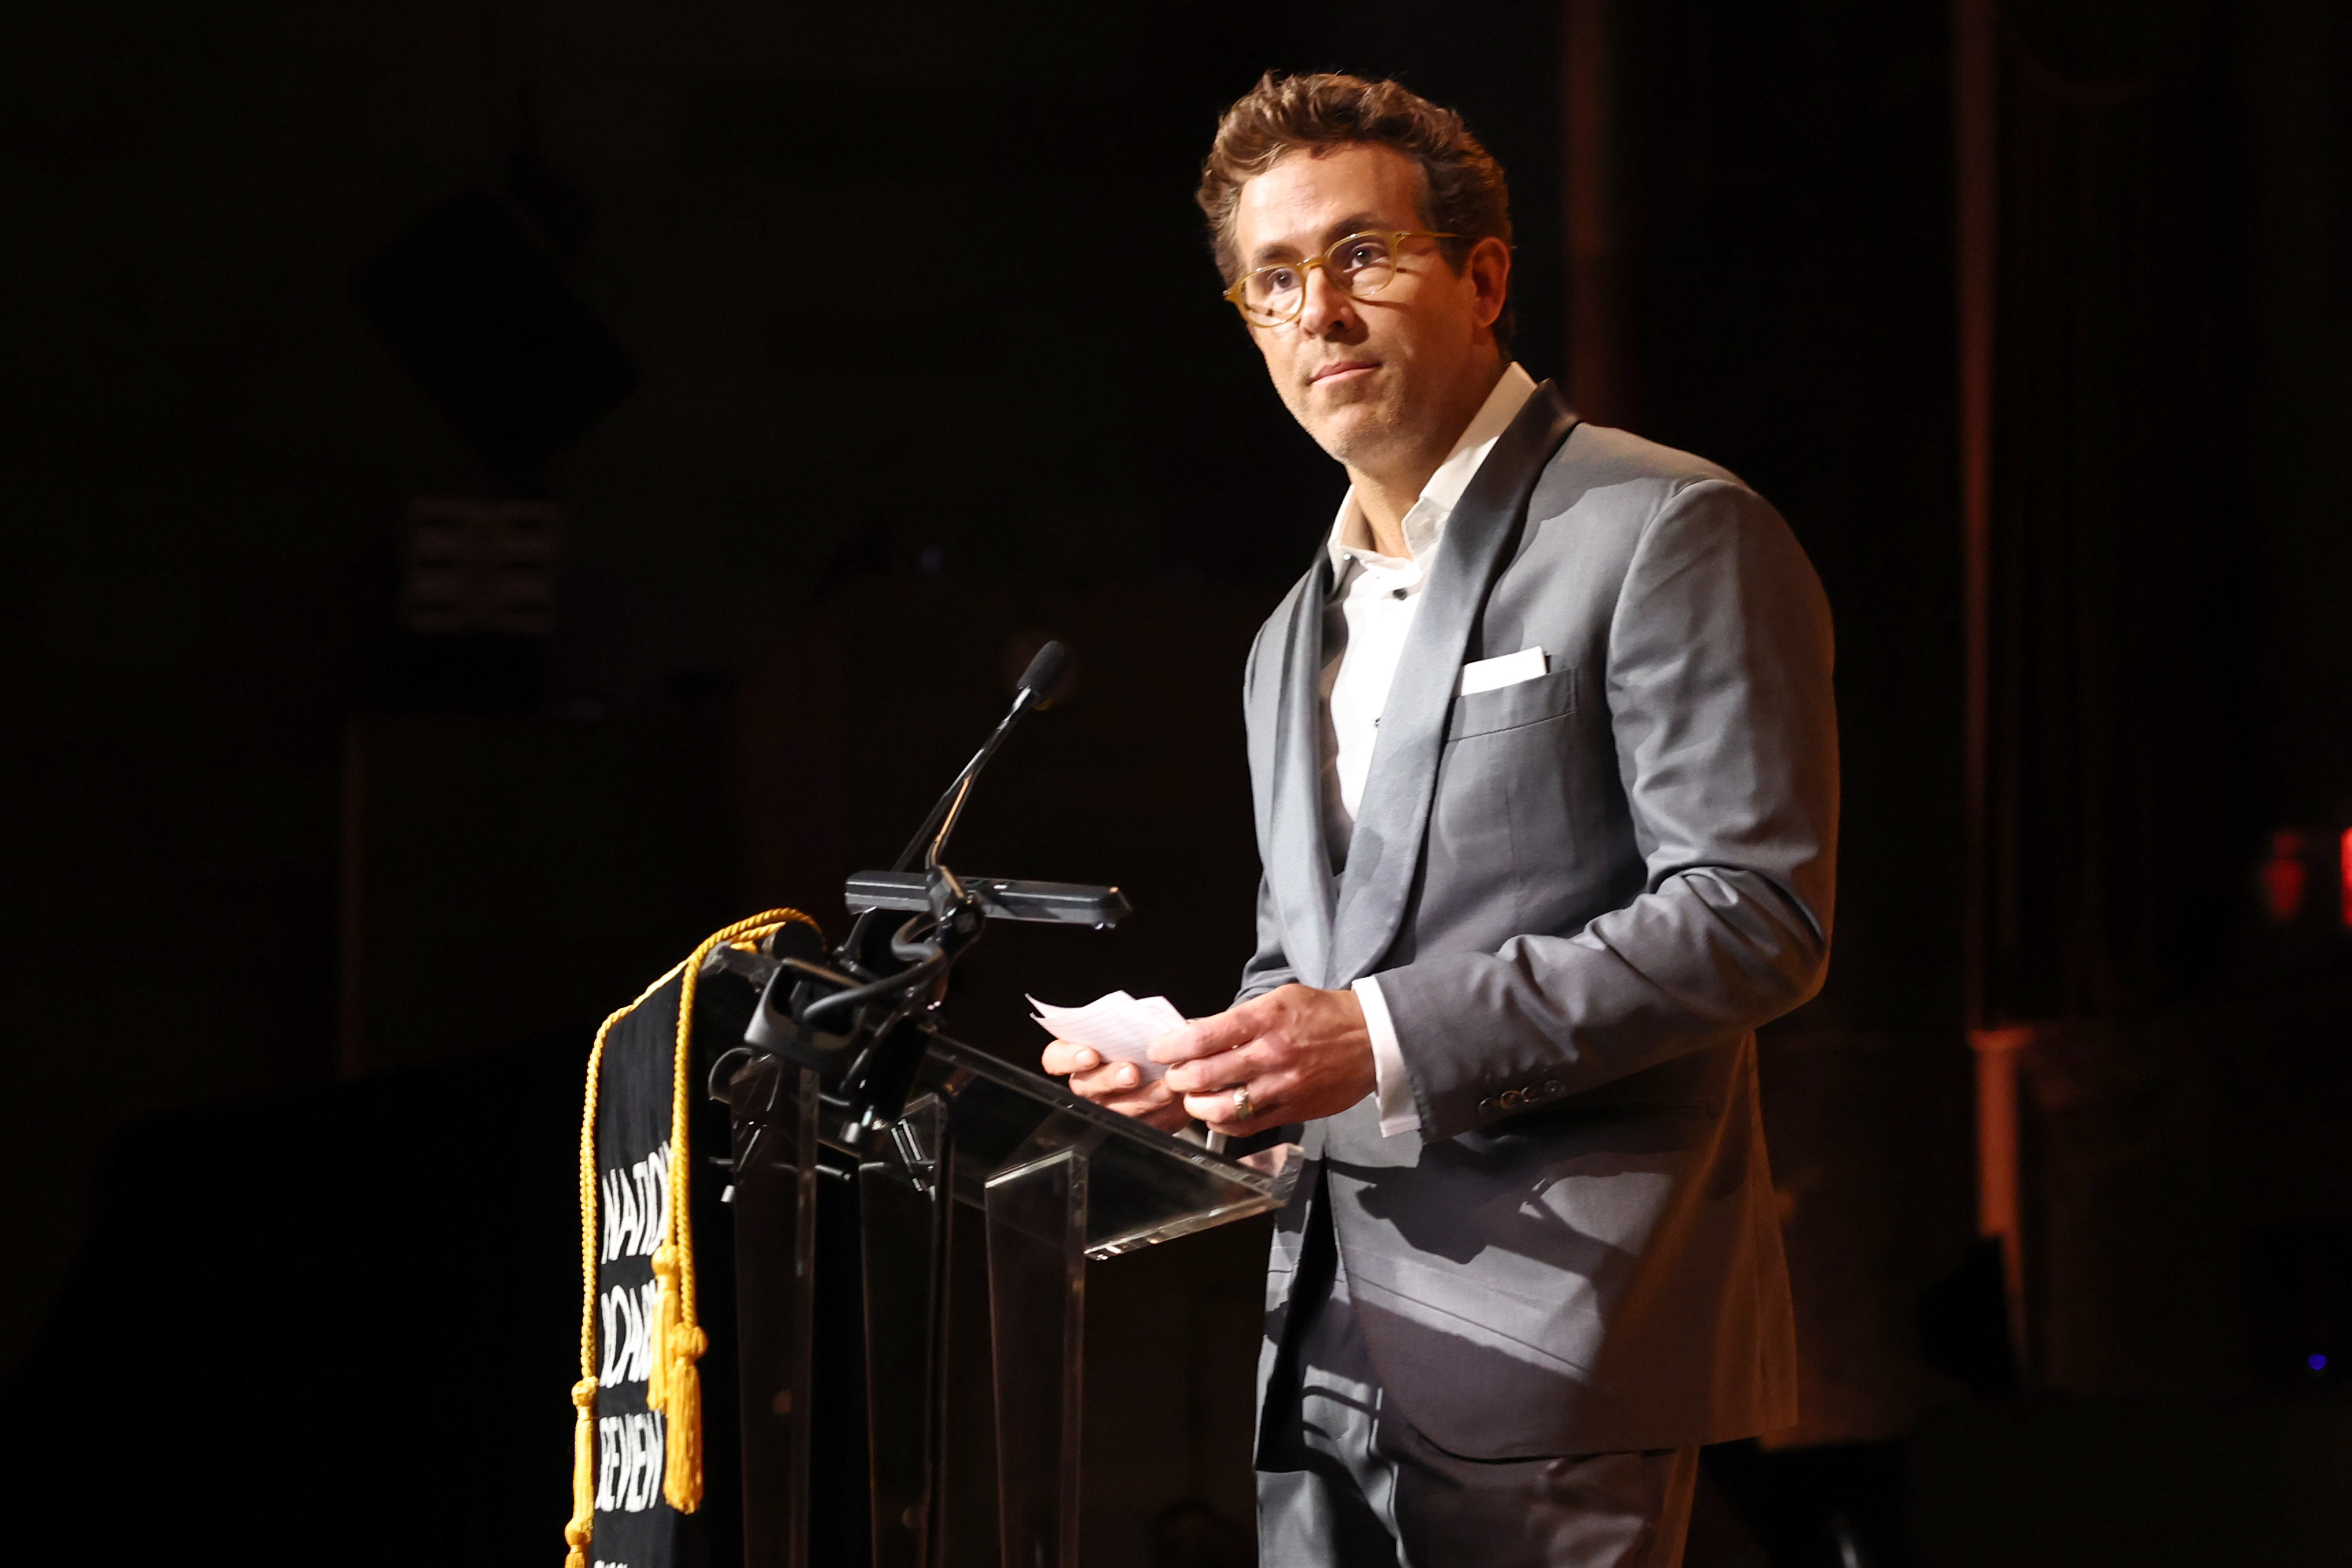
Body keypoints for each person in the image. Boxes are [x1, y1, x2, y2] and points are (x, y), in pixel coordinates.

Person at [1042, 72, 1837, 1568]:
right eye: (1271, 281)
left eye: (1360, 255)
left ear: (1481, 278)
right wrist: (1222, 1065)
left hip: (1560, 1330)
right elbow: (1307, 965)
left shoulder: (1664, 527)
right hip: (1318, 1350)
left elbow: (1752, 915)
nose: (1318, 313)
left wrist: (1382, 1037)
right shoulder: (1286, 636)